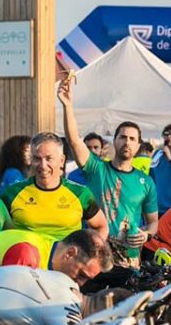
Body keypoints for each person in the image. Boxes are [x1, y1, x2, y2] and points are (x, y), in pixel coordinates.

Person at [59, 75, 158, 266]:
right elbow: (73, 141)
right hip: (96, 252)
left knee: (128, 296)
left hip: (128, 257)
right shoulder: (97, 169)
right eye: (122, 137)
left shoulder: (145, 182)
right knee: (95, 296)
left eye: (132, 138)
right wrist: (67, 105)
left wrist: (146, 235)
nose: (127, 141)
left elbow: (154, 222)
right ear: (114, 141)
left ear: (138, 146)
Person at [1, 132, 109, 240]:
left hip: (65, 255)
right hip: (27, 255)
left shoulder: (80, 193)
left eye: (49, 159)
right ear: (31, 160)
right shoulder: (13, 193)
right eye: (37, 159)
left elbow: (101, 227)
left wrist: (90, 253)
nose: (43, 166)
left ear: (61, 161)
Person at [0, 228, 111, 272]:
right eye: (81, 275)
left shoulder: (55, 247)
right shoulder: (27, 255)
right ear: (70, 253)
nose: (80, 284)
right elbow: (3, 302)